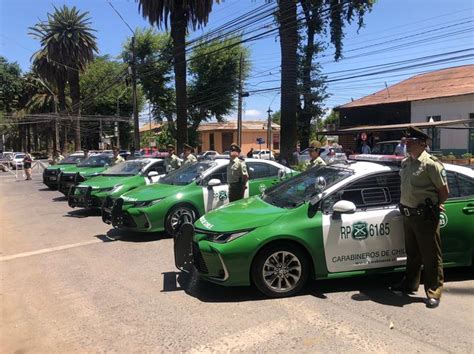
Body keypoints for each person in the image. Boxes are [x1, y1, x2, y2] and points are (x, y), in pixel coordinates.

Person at [392, 126, 449, 309]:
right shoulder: (406, 163)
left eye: (411, 142)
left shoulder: (431, 164)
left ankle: (434, 291)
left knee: (431, 256)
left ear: (423, 144)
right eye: (406, 142)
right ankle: (410, 283)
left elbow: (444, 191)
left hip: (425, 217)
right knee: (413, 254)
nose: (407, 145)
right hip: (408, 215)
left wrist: (437, 205)